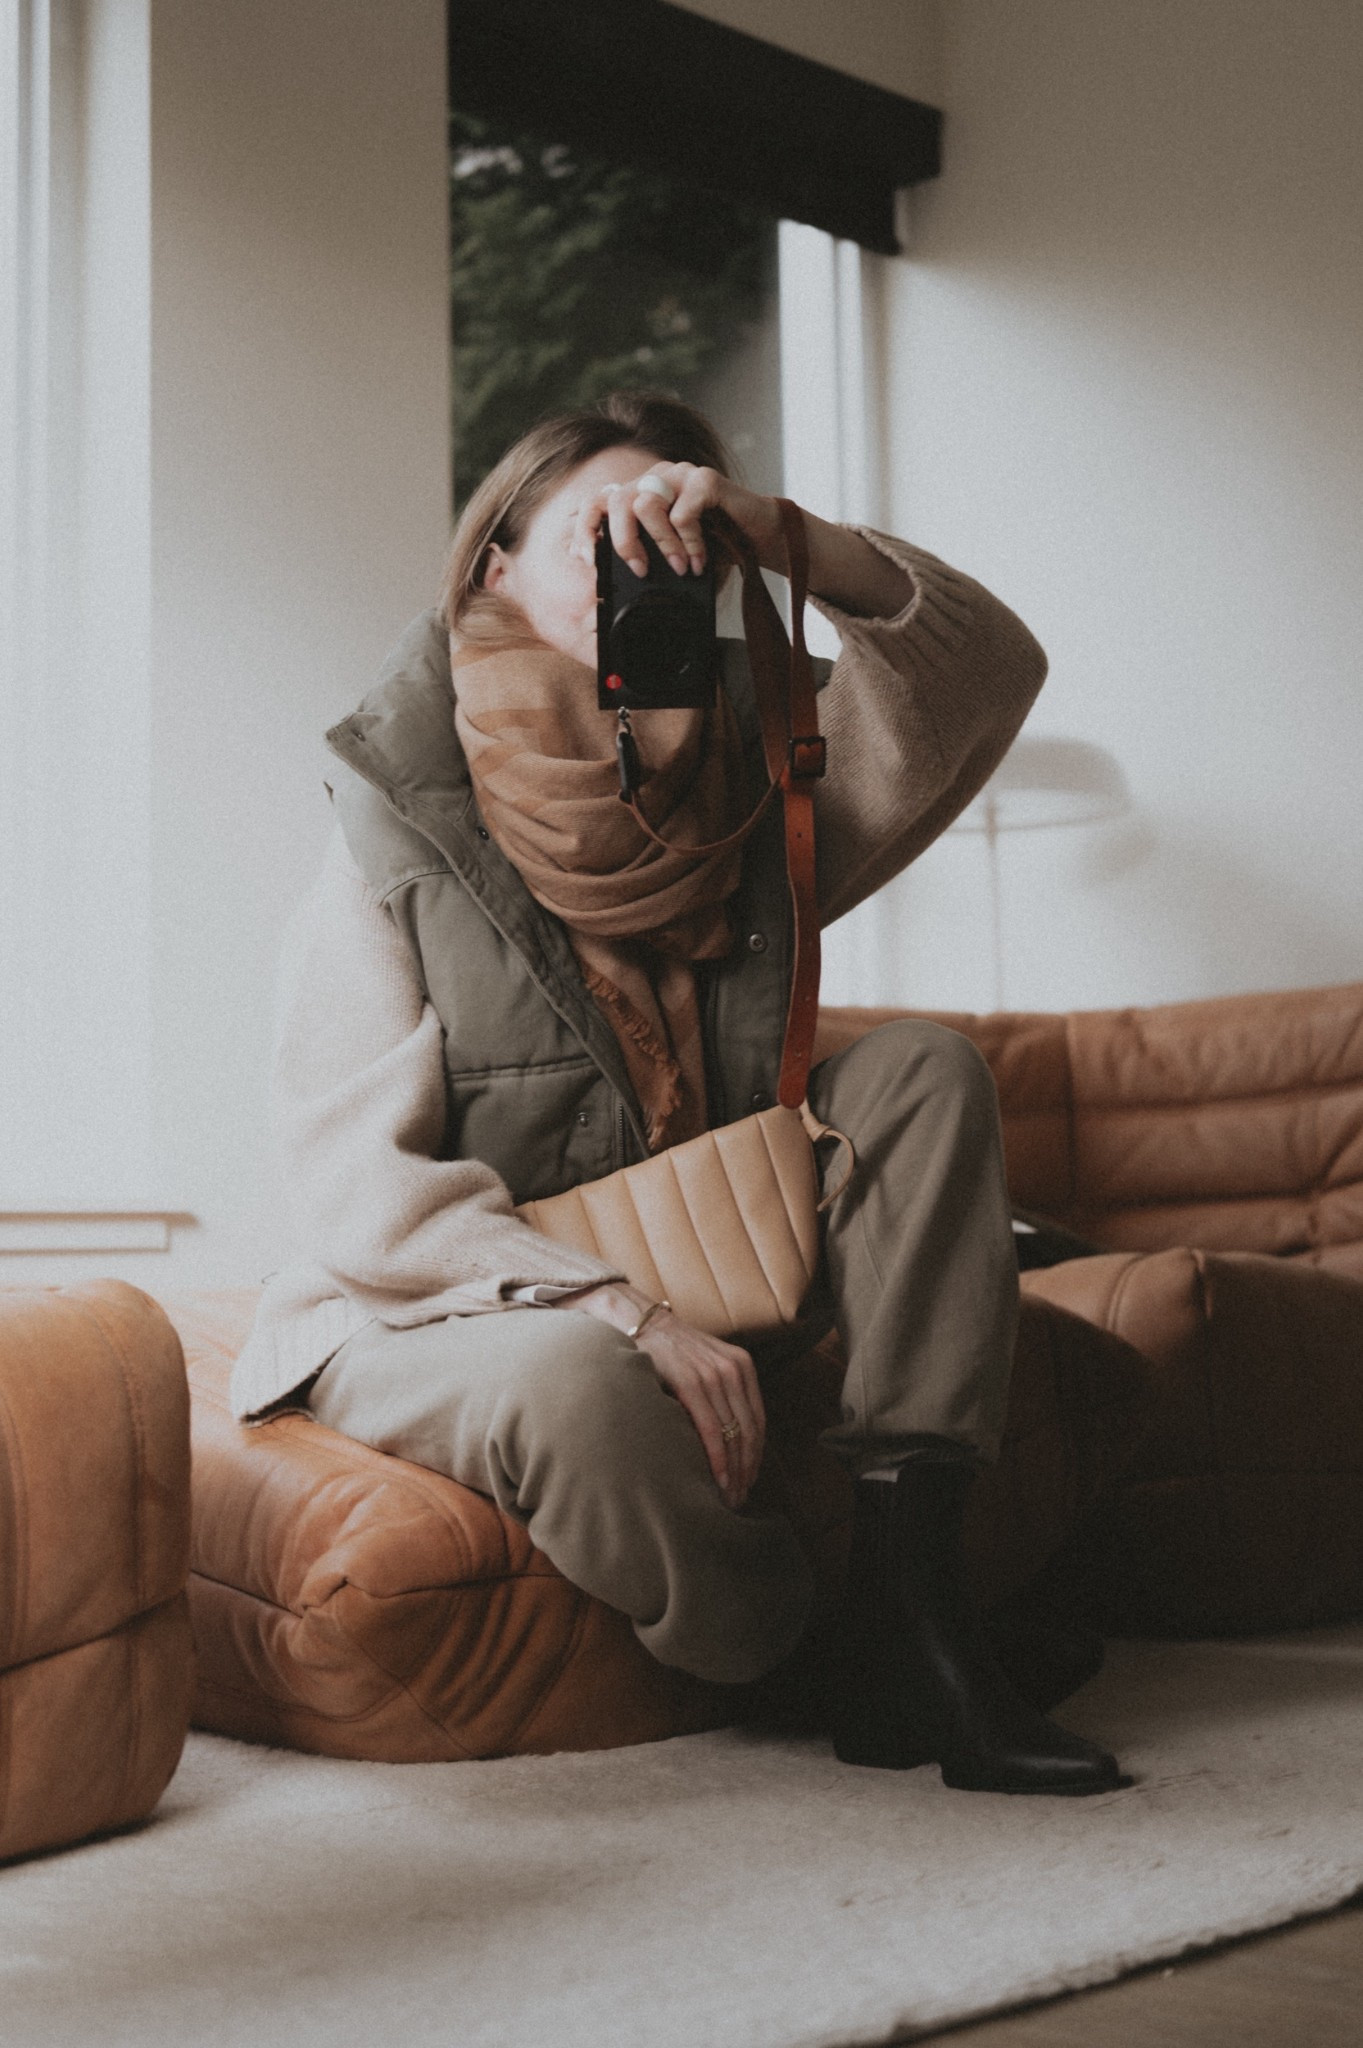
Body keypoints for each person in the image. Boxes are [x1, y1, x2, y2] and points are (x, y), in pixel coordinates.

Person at [232, 390, 1124, 1796]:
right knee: (575, 1389)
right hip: (438, 1301)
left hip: (684, 1241)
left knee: (921, 1068)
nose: (638, 564)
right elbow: (364, 1192)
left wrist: (785, 542)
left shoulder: (756, 770)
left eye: (673, 538)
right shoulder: (391, 818)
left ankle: (916, 1598)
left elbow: (987, 667)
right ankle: (822, 1655)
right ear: (494, 567)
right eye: (599, 531)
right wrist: (620, 1313)